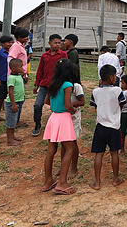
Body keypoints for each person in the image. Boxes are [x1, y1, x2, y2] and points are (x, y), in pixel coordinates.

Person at [41, 59, 79, 195]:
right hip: (63, 118)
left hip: (53, 118)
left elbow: (46, 101)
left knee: (51, 150)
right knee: (70, 148)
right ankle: (62, 183)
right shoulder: (68, 85)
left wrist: (56, 106)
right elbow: (69, 105)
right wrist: (73, 110)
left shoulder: (53, 84)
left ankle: (48, 180)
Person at [89, 64, 126, 190]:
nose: (115, 78)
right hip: (114, 127)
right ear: (111, 77)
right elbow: (121, 105)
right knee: (114, 153)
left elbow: (95, 107)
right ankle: (116, 179)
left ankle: (97, 182)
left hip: (100, 126)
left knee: (98, 154)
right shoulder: (117, 91)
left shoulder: (95, 91)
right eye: (115, 75)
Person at [33, 34, 68, 136]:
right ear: (49, 43)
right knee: (37, 105)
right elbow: (40, 70)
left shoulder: (63, 55)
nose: (57, 45)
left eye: (59, 43)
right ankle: (37, 124)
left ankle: (59, 126)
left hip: (57, 85)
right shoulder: (44, 56)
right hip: (44, 85)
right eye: (55, 43)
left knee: (57, 107)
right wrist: (36, 84)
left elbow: (65, 69)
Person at [0, 35, 14, 123]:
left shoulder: (11, 52)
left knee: (2, 99)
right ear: (2, 43)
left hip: (8, 79)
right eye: (8, 42)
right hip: (0, 79)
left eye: (11, 42)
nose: (10, 44)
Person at [68, 63, 84, 178]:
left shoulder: (76, 86)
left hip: (74, 117)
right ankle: (65, 166)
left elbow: (82, 102)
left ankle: (74, 168)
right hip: (64, 117)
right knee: (64, 143)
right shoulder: (62, 85)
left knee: (73, 142)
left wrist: (69, 105)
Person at [5, 59, 25, 146]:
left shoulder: (18, 76)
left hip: (18, 101)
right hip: (12, 103)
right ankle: (10, 140)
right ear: (13, 69)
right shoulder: (11, 78)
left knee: (13, 122)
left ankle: (12, 137)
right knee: (10, 122)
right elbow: (10, 92)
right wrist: (13, 104)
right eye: (20, 67)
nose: (22, 68)